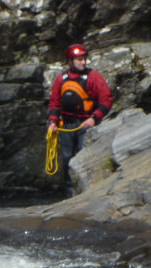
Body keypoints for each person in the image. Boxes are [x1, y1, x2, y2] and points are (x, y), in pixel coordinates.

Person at [47, 43, 113, 196]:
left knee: (84, 160)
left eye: (84, 59)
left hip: (86, 126)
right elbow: (55, 103)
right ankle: (70, 195)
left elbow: (106, 100)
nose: (83, 62)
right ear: (70, 61)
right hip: (67, 126)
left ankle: (89, 194)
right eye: (79, 60)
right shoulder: (61, 79)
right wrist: (53, 122)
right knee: (67, 160)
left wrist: (94, 118)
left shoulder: (93, 76)